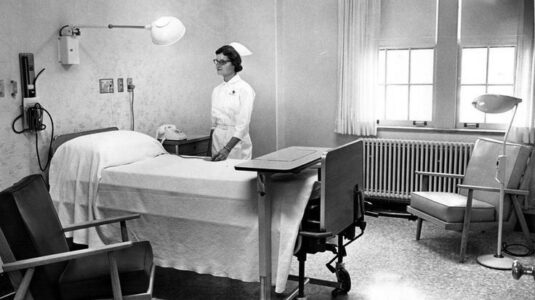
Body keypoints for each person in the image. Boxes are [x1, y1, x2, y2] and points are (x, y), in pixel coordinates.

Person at [209, 42, 255, 161]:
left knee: (236, 176)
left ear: (234, 64)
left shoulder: (245, 89)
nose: (218, 65)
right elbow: (213, 125)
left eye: (223, 62)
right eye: (217, 61)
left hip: (236, 142)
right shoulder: (216, 90)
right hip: (217, 139)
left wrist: (227, 149)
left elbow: (243, 125)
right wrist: (208, 149)